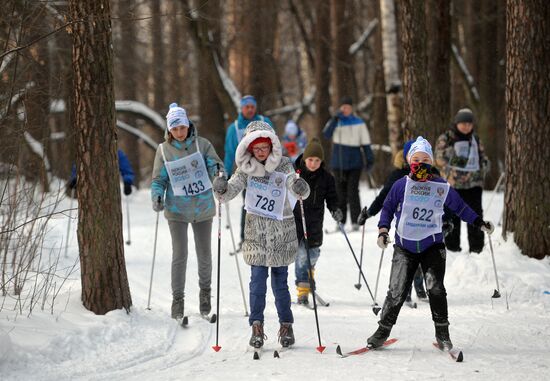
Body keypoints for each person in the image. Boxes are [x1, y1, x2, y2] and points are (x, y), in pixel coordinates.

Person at [367, 136, 494, 351]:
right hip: (404, 246)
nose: (420, 164)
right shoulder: (401, 185)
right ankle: (382, 330)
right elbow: (387, 208)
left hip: (432, 245)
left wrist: (479, 222)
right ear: (409, 162)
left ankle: (442, 332)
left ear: (432, 162)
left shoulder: (441, 186)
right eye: (416, 159)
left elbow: (460, 207)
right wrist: (382, 231)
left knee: (436, 289)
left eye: (425, 159)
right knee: (396, 290)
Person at [212, 120, 310, 349]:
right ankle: (257, 326)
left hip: (281, 234)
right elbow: (228, 192)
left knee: (280, 284)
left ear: (271, 145)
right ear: (249, 149)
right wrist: (220, 187)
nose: (261, 152)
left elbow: (295, 183)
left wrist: (299, 187)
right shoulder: (245, 169)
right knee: (257, 283)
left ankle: (286, 325)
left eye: (264, 147)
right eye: (256, 149)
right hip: (256, 234)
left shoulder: (285, 165)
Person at [151, 103, 224, 321]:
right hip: (177, 210)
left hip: (202, 207)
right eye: (175, 129)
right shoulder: (163, 150)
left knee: (204, 254)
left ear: (188, 125)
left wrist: (219, 177)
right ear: (169, 130)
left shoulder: (203, 145)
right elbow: (158, 179)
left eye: (182, 127)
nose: (180, 133)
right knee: (179, 254)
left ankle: (205, 295)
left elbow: (215, 166)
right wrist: (157, 195)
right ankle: (178, 300)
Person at [357, 140, 428, 303]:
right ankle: (406, 290)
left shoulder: (430, 174)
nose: (418, 162)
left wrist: (447, 218)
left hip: (425, 224)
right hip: (405, 224)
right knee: (408, 259)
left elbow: (443, 196)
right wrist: (369, 213)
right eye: (414, 157)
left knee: (423, 257)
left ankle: (419, 287)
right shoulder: (398, 176)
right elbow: (384, 197)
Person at [292, 138, 342, 305]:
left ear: (322, 161)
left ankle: (308, 277)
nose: (313, 163)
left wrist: (335, 209)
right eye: (310, 160)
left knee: (312, 255)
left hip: (314, 222)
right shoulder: (295, 174)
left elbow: (332, 198)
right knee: (301, 256)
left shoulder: (327, 178)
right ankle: (303, 291)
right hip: (297, 222)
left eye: (317, 160)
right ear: (305, 159)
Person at [435, 108, 490, 253]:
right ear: (457, 123)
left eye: (469, 123)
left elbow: (482, 155)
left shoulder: (476, 139)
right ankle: (452, 249)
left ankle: (477, 249)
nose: (466, 126)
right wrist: (456, 157)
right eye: (463, 123)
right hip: (452, 185)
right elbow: (439, 159)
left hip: (474, 184)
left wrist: (485, 164)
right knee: (452, 216)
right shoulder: (446, 138)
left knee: (476, 215)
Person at [223, 95, 274, 246]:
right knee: (249, 204)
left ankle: (268, 235)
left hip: (267, 170)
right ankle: (245, 238)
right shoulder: (235, 128)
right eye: (247, 107)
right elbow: (230, 152)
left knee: (269, 204)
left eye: (252, 106)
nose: (250, 109)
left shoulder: (265, 122)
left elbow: (275, 144)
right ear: (242, 108)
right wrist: (226, 173)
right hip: (248, 172)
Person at [322, 96, 374, 231]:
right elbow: (326, 134)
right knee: (340, 193)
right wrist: (334, 119)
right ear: (340, 108)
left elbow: (366, 143)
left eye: (348, 107)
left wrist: (369, 159)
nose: (346, 110)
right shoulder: (336, 122)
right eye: (344, 107)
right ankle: (340, 221)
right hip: (338, 163)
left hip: (355, 163)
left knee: (352, 192)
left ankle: (356, 222)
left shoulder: (359, 122)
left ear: (352, 109)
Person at [66, 149, 135, 196]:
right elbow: (79, 166)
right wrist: (75, 179)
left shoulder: (115, 152)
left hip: (109, 189)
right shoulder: (87, 150)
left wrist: (127, 182)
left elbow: (126, 168)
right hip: (90, 189)